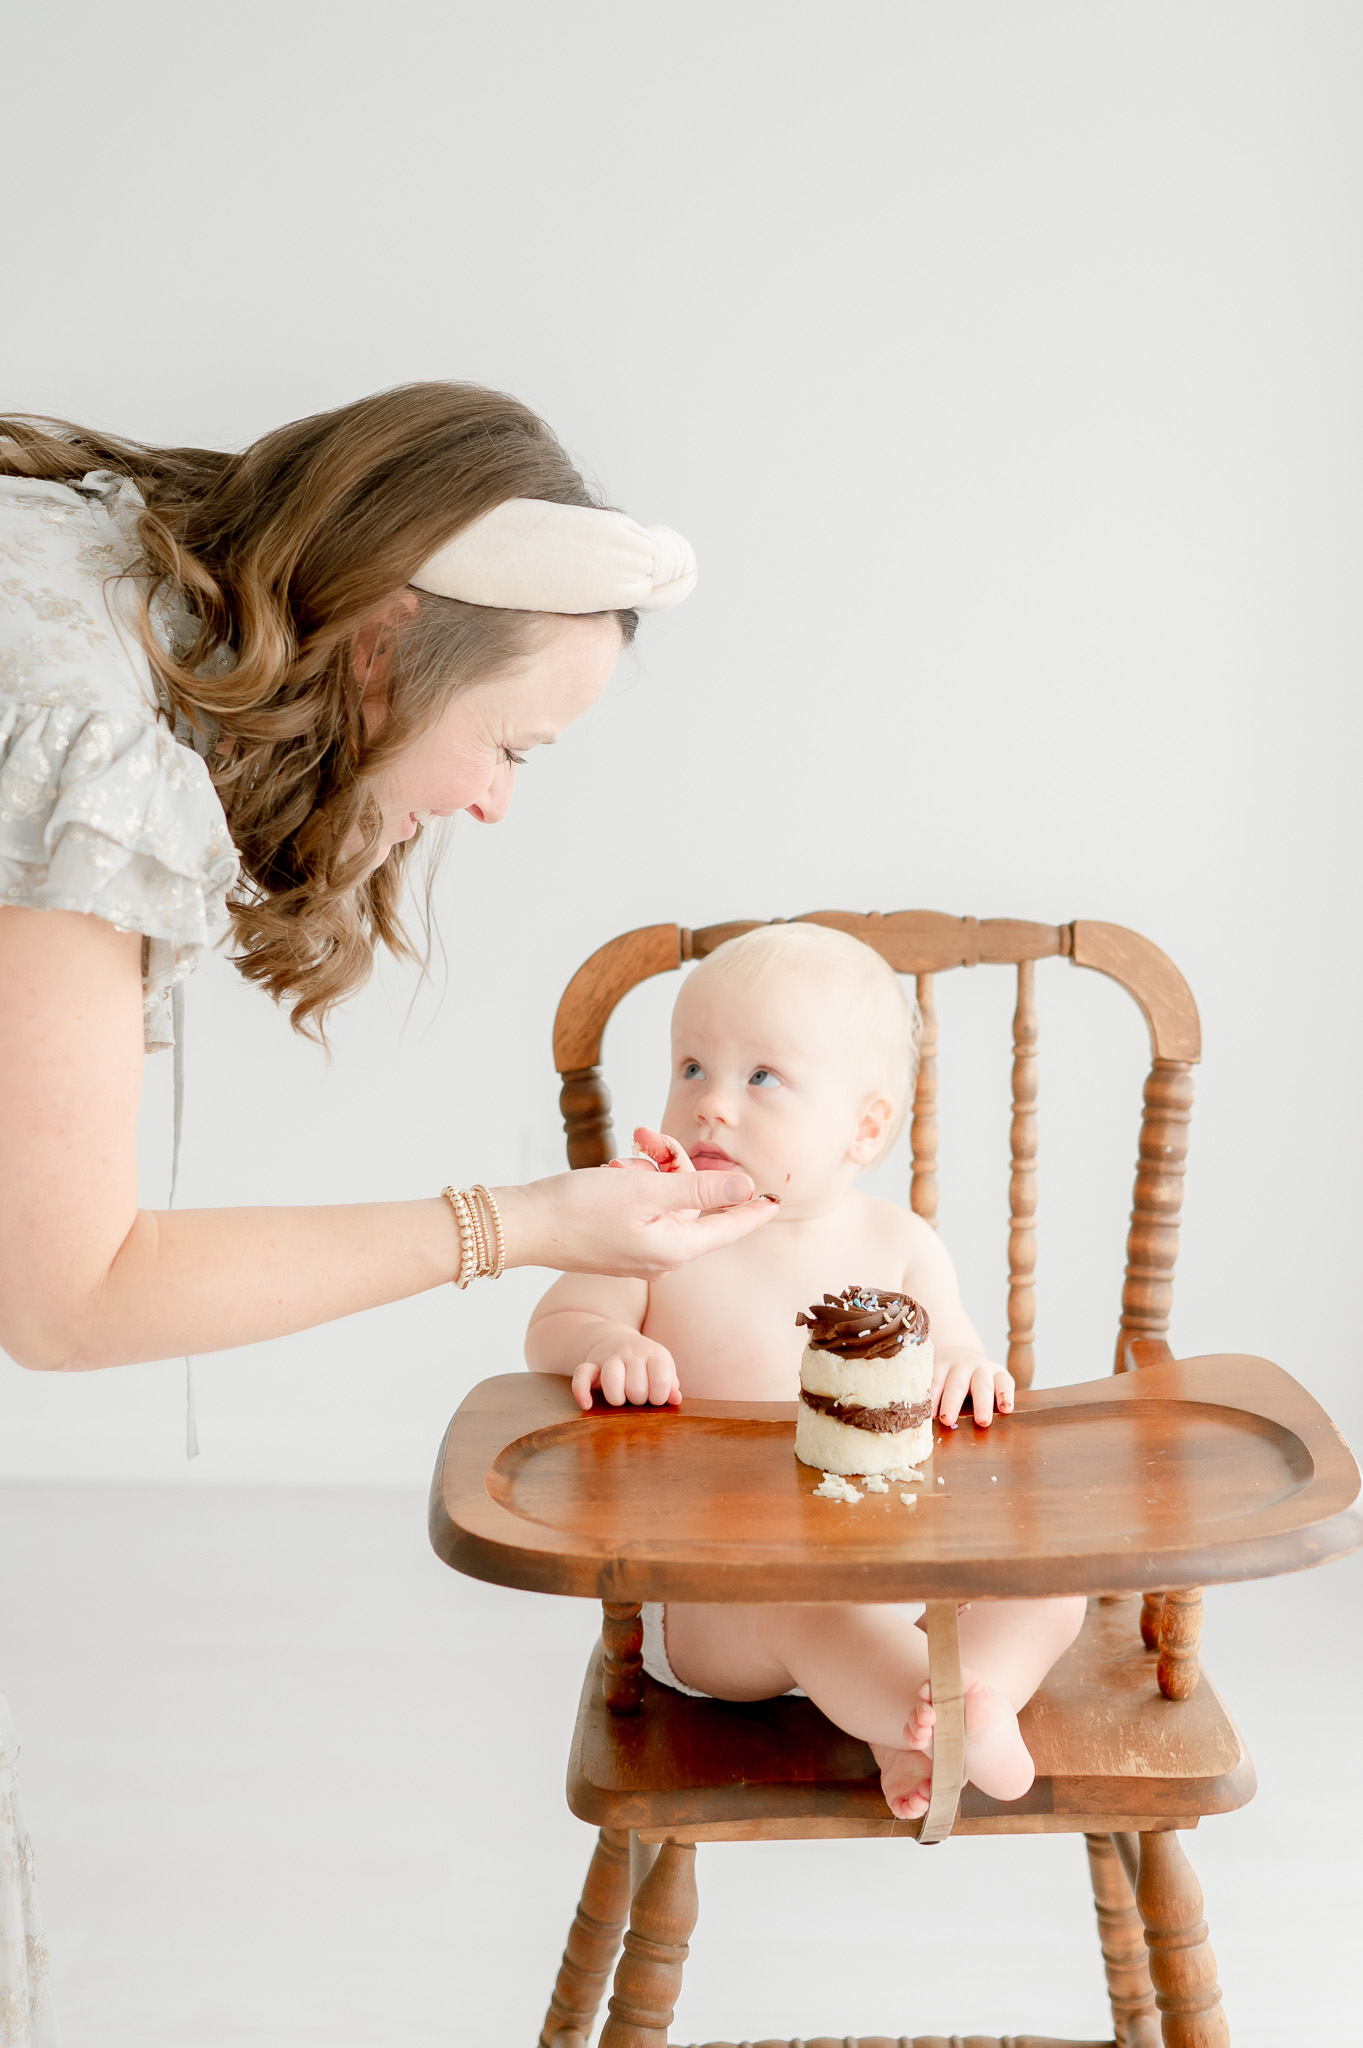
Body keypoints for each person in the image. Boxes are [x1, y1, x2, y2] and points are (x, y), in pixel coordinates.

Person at [0, 383, 778, 2043]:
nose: (498, 801)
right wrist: (525, 1223)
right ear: (383, 641)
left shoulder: (92, 563)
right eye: (511, 745)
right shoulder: (85, 719)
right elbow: (70, 1296)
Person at [526, 921, 1087, 1821]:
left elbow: (954, 1349)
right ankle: (945, 1719)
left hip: (905, 1568)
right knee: (810, 1611)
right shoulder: (652, 1230)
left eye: (761, 1078)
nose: (711, 1104)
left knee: (1056, 1589)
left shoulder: (897, 1244)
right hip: (723, 1598)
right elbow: (555, 1322)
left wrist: (964, 1368)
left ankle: (947, 1703)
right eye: (691, 1068)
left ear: (864, 1128)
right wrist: (601, 1343)